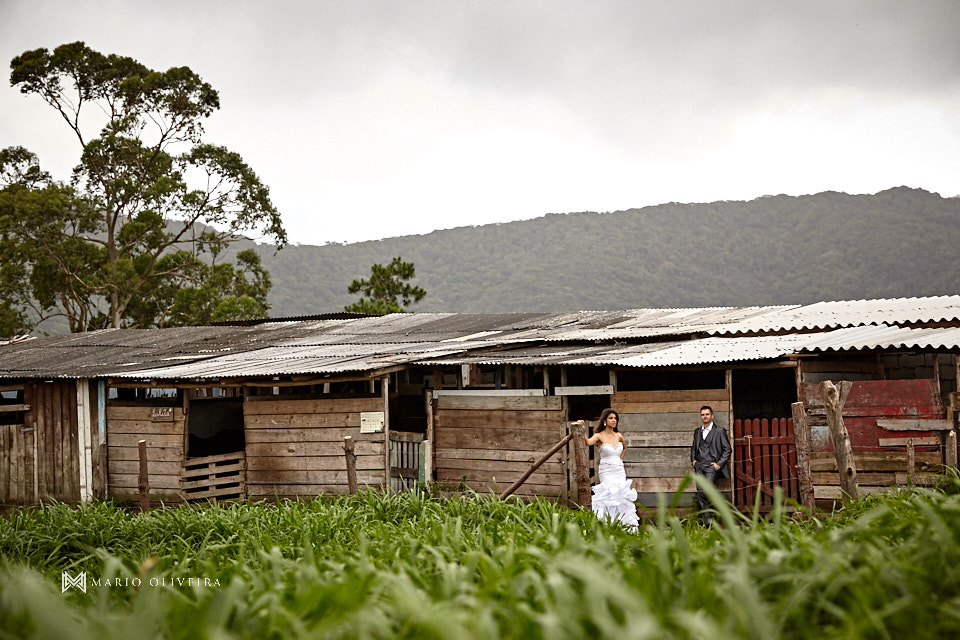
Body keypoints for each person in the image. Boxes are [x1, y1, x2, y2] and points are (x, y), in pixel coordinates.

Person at [577, 408, 639, 531]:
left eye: (615, 418)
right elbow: (587, 442)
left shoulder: (618, 435)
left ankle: (624, 527)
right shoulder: (599, 435)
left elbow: (625, 448)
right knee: (609, 494)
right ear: (604, 420)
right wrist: (581, 428)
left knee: (621, 495)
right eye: (611, 418)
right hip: (606, 470)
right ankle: (607, 526)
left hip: (619, 470)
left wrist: (620, 459)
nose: (614, 420)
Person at [690, 405, 732, 525]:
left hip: (711, 466)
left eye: (707, 414)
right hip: (699, 466)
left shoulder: (719, 431)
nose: (705, 416)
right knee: (700, 492)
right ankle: (707, 521)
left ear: (712, 416)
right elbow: (694, 447)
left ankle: (711, 517)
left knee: (707, 491)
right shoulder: (697, 432)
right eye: (703, 414)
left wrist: (718, 464)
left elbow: (728, 449)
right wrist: (693, 460)